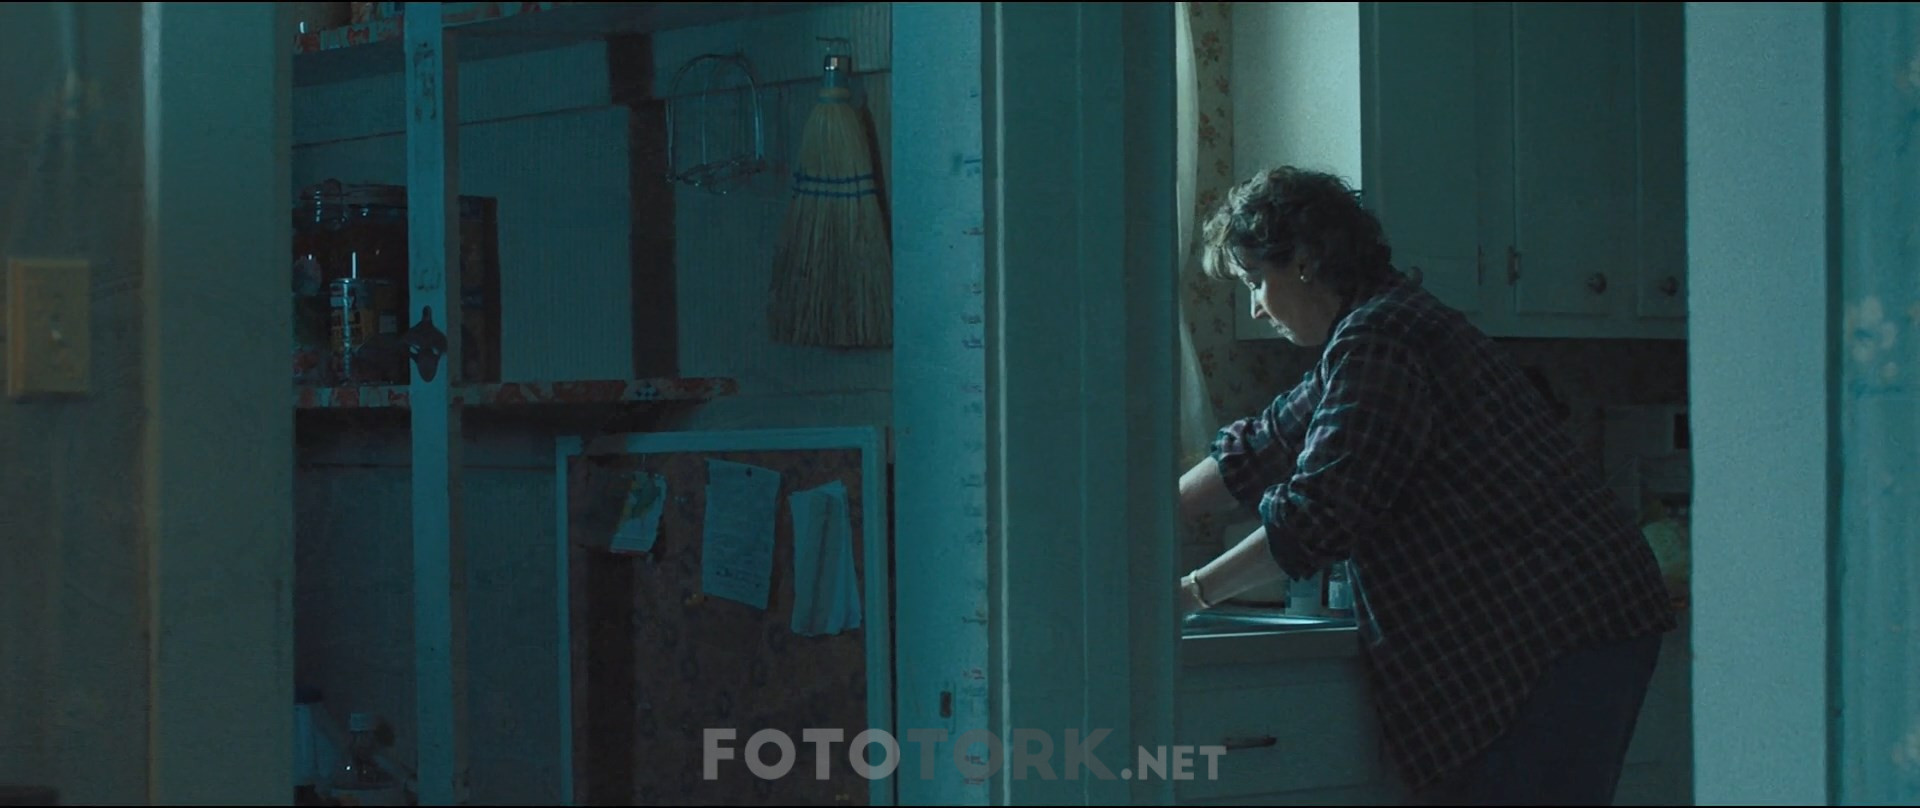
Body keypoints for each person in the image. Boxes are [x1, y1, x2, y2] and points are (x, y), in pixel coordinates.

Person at [1175, 166, 1678, 806]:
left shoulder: (1381, 336)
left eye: (1255, 282)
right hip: (1566, 618)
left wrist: (1189, 594)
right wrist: (1153, 513)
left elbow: (1317, 515)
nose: (1255, 306)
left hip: (1559, 623)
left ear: (1302, 262)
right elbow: (1266, 442)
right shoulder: (1373, 326)